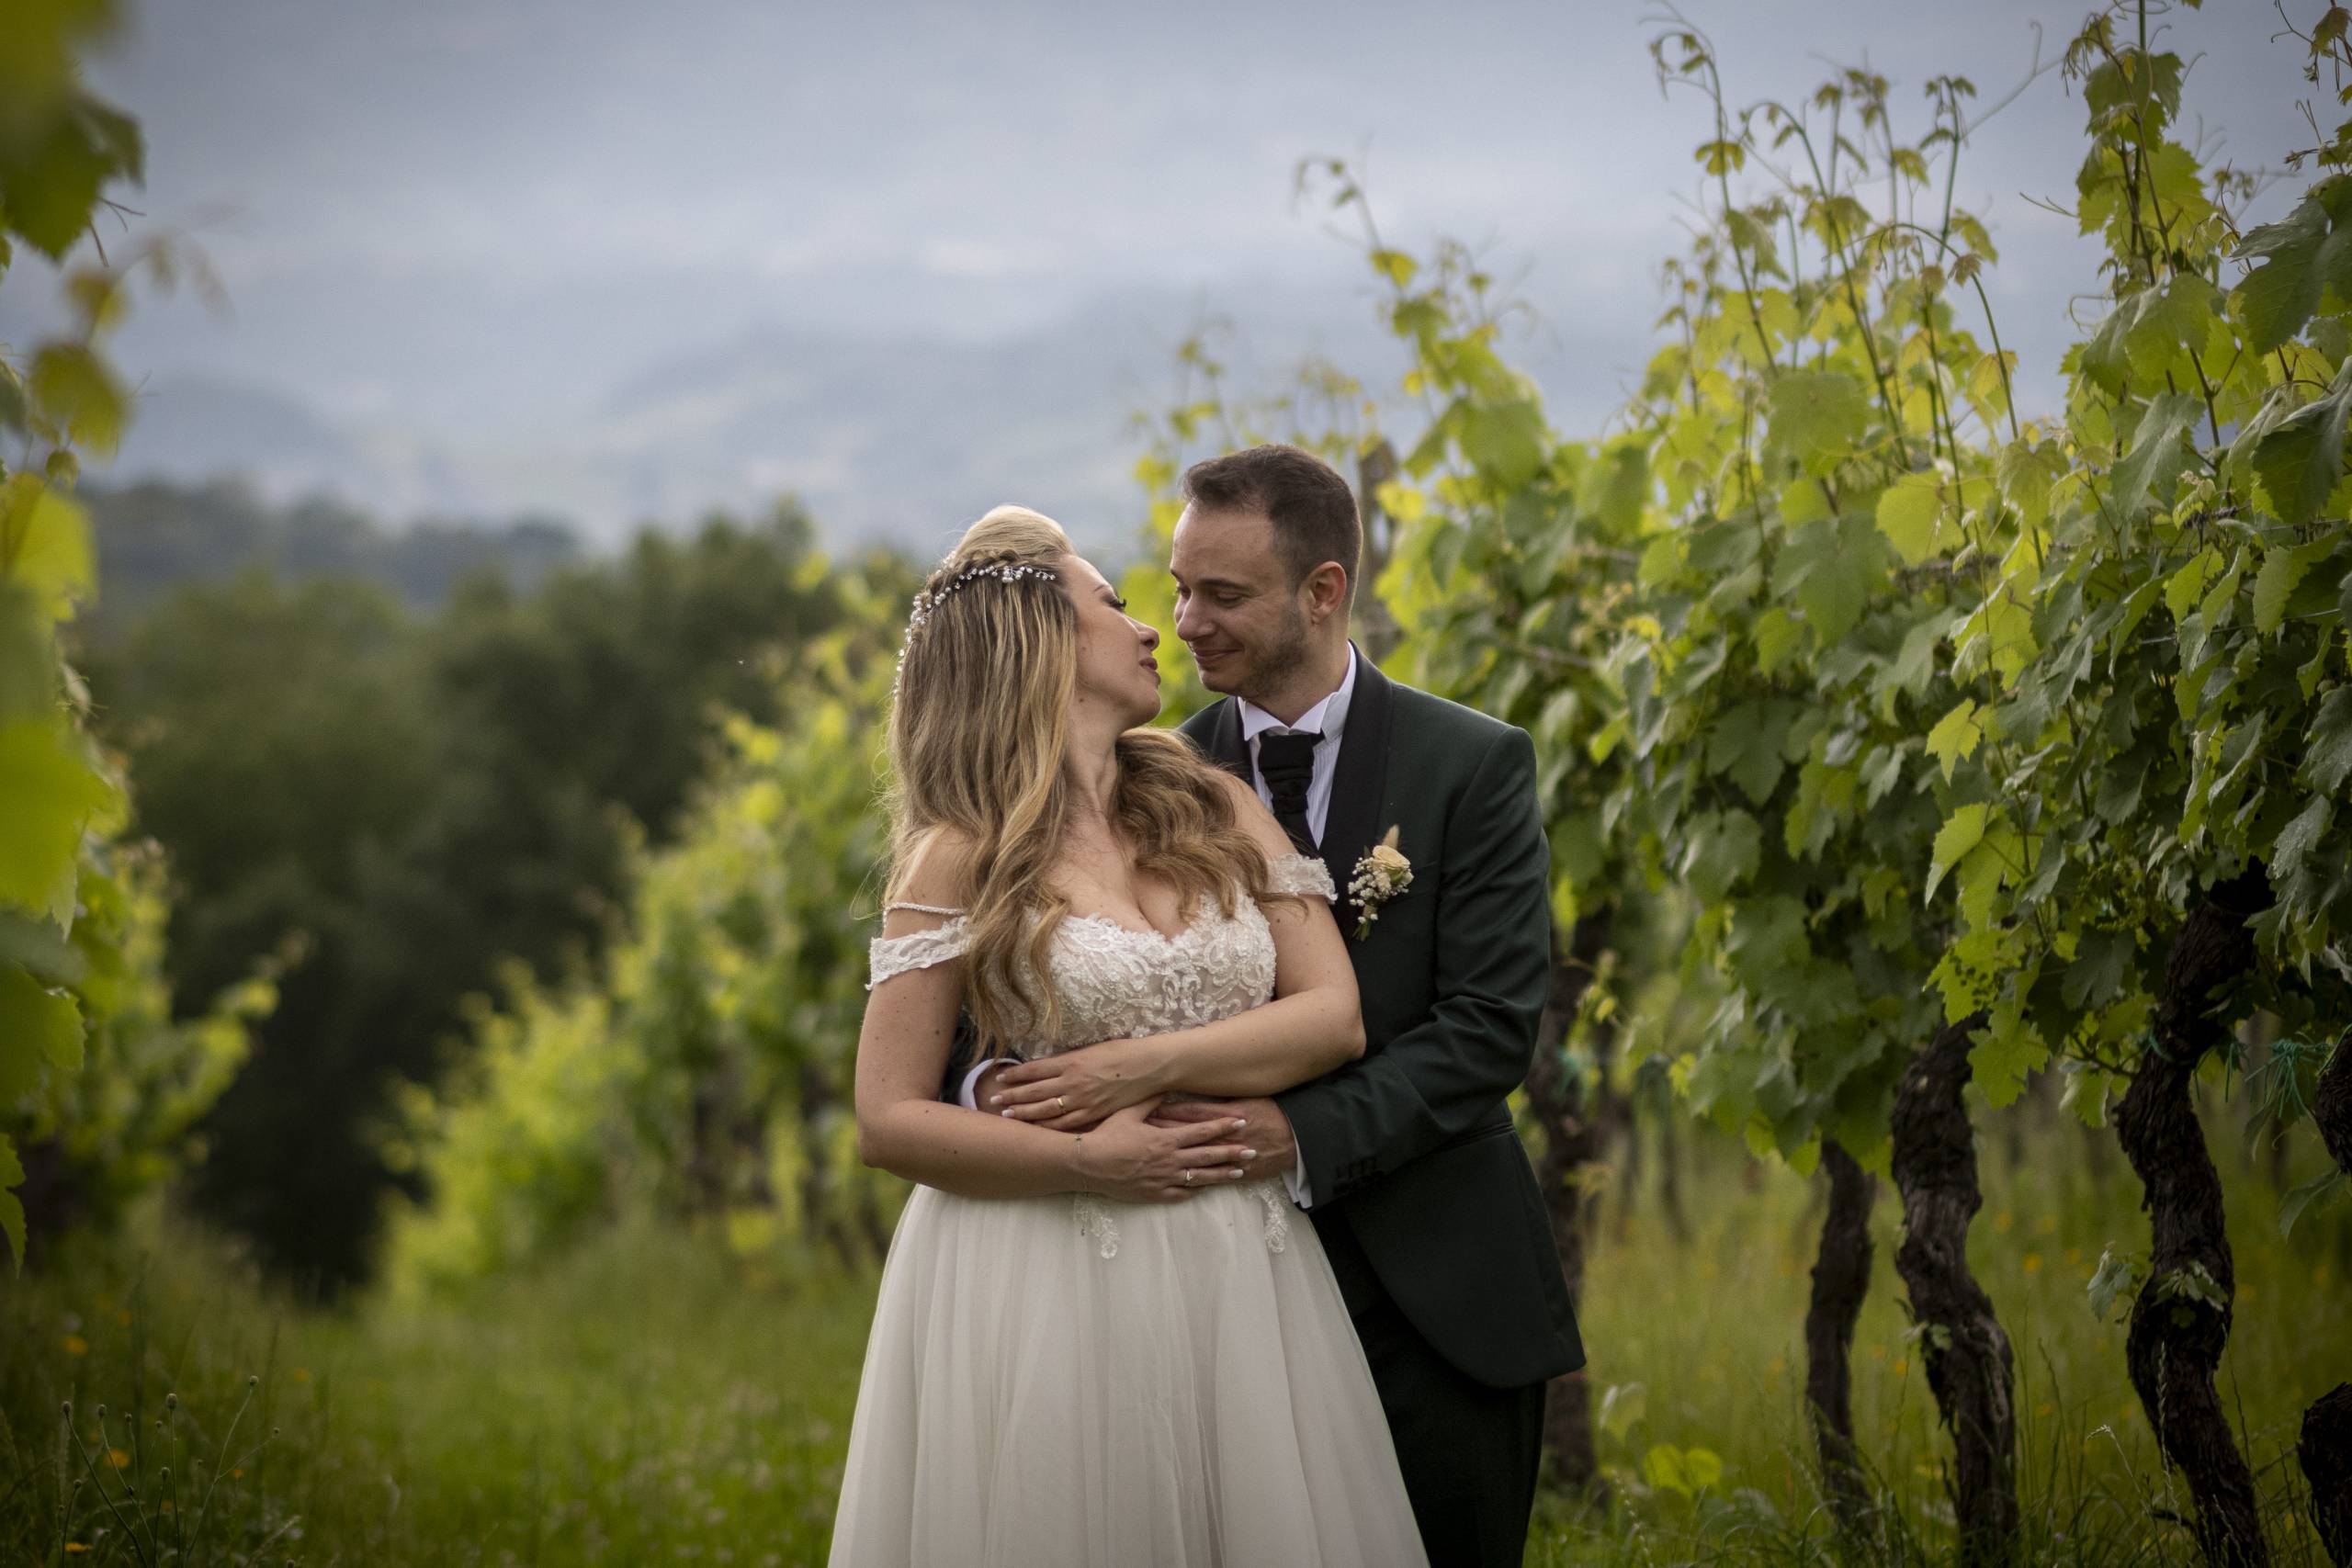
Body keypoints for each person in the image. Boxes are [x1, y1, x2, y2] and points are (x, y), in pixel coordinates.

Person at [969, 446, 1584, 1567]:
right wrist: (1026, 1100)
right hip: (1200, 1306)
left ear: (1323, 592)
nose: (1186, 621)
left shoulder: (1472, 764)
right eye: (1177, 587)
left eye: (1224, 594)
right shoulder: (1151, 773)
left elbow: (1487, 1028)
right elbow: (998, 1025)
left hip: (1436, 1295)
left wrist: (1295, 1135)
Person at [828, 503, 1430, 1567]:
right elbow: (887, 1118)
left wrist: (1130, 1069)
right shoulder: (957, 858)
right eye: (1109, 604)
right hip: (1047, 1264)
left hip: (1238, 1258)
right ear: (1043, 646)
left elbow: (1332, 1019)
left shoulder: (1215, 804)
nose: (1151, 627)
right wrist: (1085, 1159)